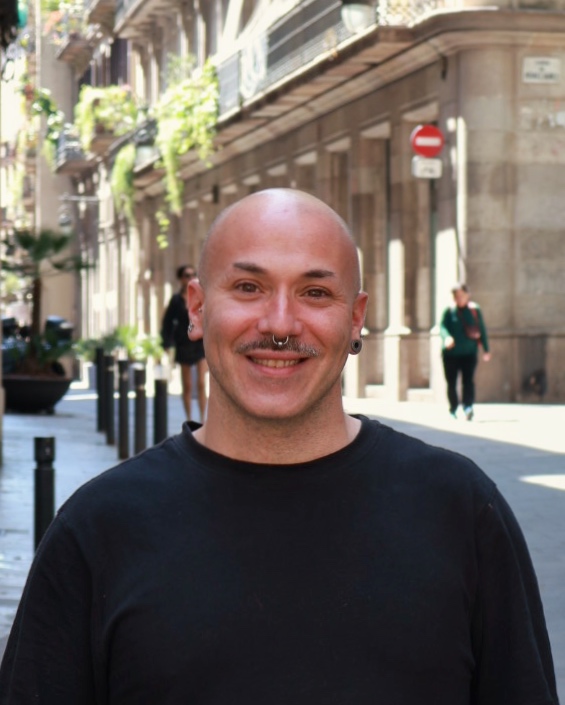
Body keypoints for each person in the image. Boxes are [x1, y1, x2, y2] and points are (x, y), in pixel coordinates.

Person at [0, 189, 558, 705]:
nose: (281, 324)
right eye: (249, 287)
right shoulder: (98, 529)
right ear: (196, 308)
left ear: (356, 318)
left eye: (315, 293)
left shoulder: (461, 511)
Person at [160, 263, 207, 420]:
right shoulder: (176, 300)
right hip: (183, 343)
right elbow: (167, 322)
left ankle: (202, 419)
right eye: (187, 275)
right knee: (187, 385)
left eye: (193, 275)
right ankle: (189, 418)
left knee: (201, 383)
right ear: (181, 279)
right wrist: (167, 343)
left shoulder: (201, 297)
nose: (191, 278)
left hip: (200, 343)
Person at [439, 282, 491, 421]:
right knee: (451, 382)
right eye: (456, 296)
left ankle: (468, 407)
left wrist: (486, 349)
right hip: (451, 354)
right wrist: (447, 337)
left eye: (461, 295)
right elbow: (442, 327)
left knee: (468, 381)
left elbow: (482, 329)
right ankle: (453, 408)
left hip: (469, 353)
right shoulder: (449, 311)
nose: (459, 298)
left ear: (468, 295)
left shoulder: (474, 310)